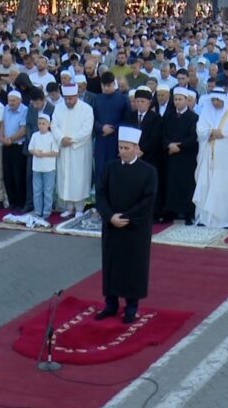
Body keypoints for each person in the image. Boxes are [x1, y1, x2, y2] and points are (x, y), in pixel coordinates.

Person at [95, 126, 158, 324]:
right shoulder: (110, 168)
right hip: (112, 225)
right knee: (112, 264)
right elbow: (101, 194)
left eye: (126, 148)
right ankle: (111, 304)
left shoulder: (148, 171)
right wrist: (110, 216)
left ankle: (131, 306)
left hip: (135, 227)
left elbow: (148, 200)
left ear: (136, 148)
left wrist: (127, 217)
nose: (122, 151)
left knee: (133, 266)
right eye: (120, 147)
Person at [193, 87, 228, 227]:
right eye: (213, 99)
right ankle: (203, 218)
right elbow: (200, 130)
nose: (215, 102)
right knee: (206, 184)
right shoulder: (206, 112)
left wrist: (222, 133)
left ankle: (224, 219)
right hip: (208, 156)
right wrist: (211, 132)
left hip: (226, 159)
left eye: (218, 100)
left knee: (223, 186)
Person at [52, 84, 94, 217]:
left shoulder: (86, 109)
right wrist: (61, 138)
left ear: (76, 96)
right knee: (65, 178)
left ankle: (80, 209)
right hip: (64, 148)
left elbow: (87, 129)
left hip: (79, 149)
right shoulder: (58, 108)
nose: (68, 101)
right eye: (66, 99)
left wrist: (72, 140)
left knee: (79, 178)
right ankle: (69, 208)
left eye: (71, 98)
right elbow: (53, 125)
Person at [163, 87, 199, 224]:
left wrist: (179, 146)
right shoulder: (168, 116)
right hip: (171, 156)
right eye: (175, 99)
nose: (177, 102)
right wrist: (169, 145)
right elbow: (163, 135)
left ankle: (188, 213)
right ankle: (171, 211)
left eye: (180, 99)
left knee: (187, 184)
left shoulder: (193, 117)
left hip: (186, 156)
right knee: (171, 184)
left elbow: (193, 137)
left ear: (186, 100)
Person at [92, 72, 129, 187]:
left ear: (114, 84)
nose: (106, 88)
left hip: (116, 141)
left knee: (114, 170)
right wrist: (101, 127)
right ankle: (100, 202)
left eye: (109, 85)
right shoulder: (97, 99)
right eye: (104, 86)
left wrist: (114, 128)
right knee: (100, 171)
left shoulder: (123, 99)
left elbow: (127, 120)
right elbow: (92, 119)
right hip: (101, 140)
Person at [0, 90, 28, 210]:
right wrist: (1, 137)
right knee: (8, 174)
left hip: (18, 146)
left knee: (19, 175)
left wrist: (10, 138)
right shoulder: (6, 108)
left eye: (13, 100)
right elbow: (2, 125)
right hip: (6, 145)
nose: (11, 103)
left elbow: (23, 130)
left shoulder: (25, 110)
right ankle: (12, 201)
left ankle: (21, 202)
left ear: (20, 100)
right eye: (9, 100)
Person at [27, 113, 59, 219]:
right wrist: (35, 152)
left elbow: (55, 152)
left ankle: (46, 212)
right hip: (37, 168)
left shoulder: (52, 136)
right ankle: (37, 211)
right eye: (39, 123)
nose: (41, 125)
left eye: (43, 123)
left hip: (49, 168)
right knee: (37, 190)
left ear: (48, 124)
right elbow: (30, 149)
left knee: (48, 191)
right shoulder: (35, 135)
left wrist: (43, 154)